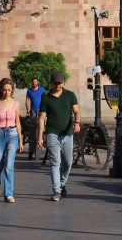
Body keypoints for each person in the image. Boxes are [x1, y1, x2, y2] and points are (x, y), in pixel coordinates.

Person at [37, 71, 80, 201]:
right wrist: (40, 136)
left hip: (67, 134)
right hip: (52, 133)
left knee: (68, 163)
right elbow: (41, 118)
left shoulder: (70, 95)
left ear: (63, 82)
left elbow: (76, 111)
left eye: (60, 82)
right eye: (56, 83)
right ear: (52, 83)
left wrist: (77, 123)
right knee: (56, 163)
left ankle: (61, 185)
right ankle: (56, 190)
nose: (58, 85)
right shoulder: (46, 97)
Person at [0, 78, 24, 203]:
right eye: (4, 90)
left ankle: (8, 193)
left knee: (9, 165)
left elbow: (18, 122)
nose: (6, 92)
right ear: (1, 90)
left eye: (9, 90)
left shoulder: (16, 104)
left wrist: (20, 140)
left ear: (12, 90)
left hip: (12, 134)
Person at [24, 76, 45, 160]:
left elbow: (45, 100)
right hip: (33, 112)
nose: (34, 83)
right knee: (32, 132)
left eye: (35, 82)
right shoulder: (29, 91)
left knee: (41, 131)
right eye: (33, 82)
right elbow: (27, 100)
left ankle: (40, 151)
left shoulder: (42, 90)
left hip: (41, 111)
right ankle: (31, 152)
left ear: (38, 82)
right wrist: (28, 110)